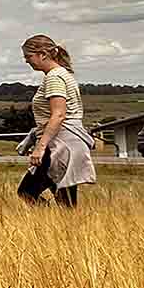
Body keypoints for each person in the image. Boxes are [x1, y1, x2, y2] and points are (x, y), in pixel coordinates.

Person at [16, 34, 95, 206]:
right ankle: (63, 227)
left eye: (29, 56)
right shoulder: (63, 74)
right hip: (68, 145)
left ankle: (52, 226)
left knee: (26, 192)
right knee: (65, 200)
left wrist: (40, 147)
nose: (27, 61)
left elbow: (58, 114)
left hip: (59, 145)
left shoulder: (54, 77)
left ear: (42, 54)